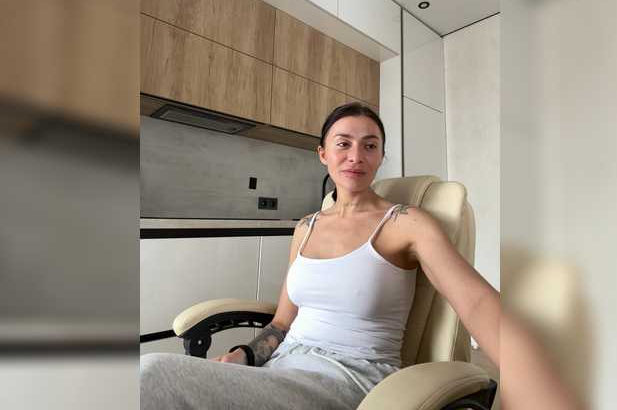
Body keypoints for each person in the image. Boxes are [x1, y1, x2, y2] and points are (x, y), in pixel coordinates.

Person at [140, 102, 500, 410]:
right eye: (343, 143)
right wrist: (246, 355)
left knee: (151, 374)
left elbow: (477, 303)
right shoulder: (306, 227)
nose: (356, 156)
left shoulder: (405, 223)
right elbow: (281, 324)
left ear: (380, 157)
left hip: (351, 379)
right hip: (283, 368)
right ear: (323, 154)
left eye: (370, 146)